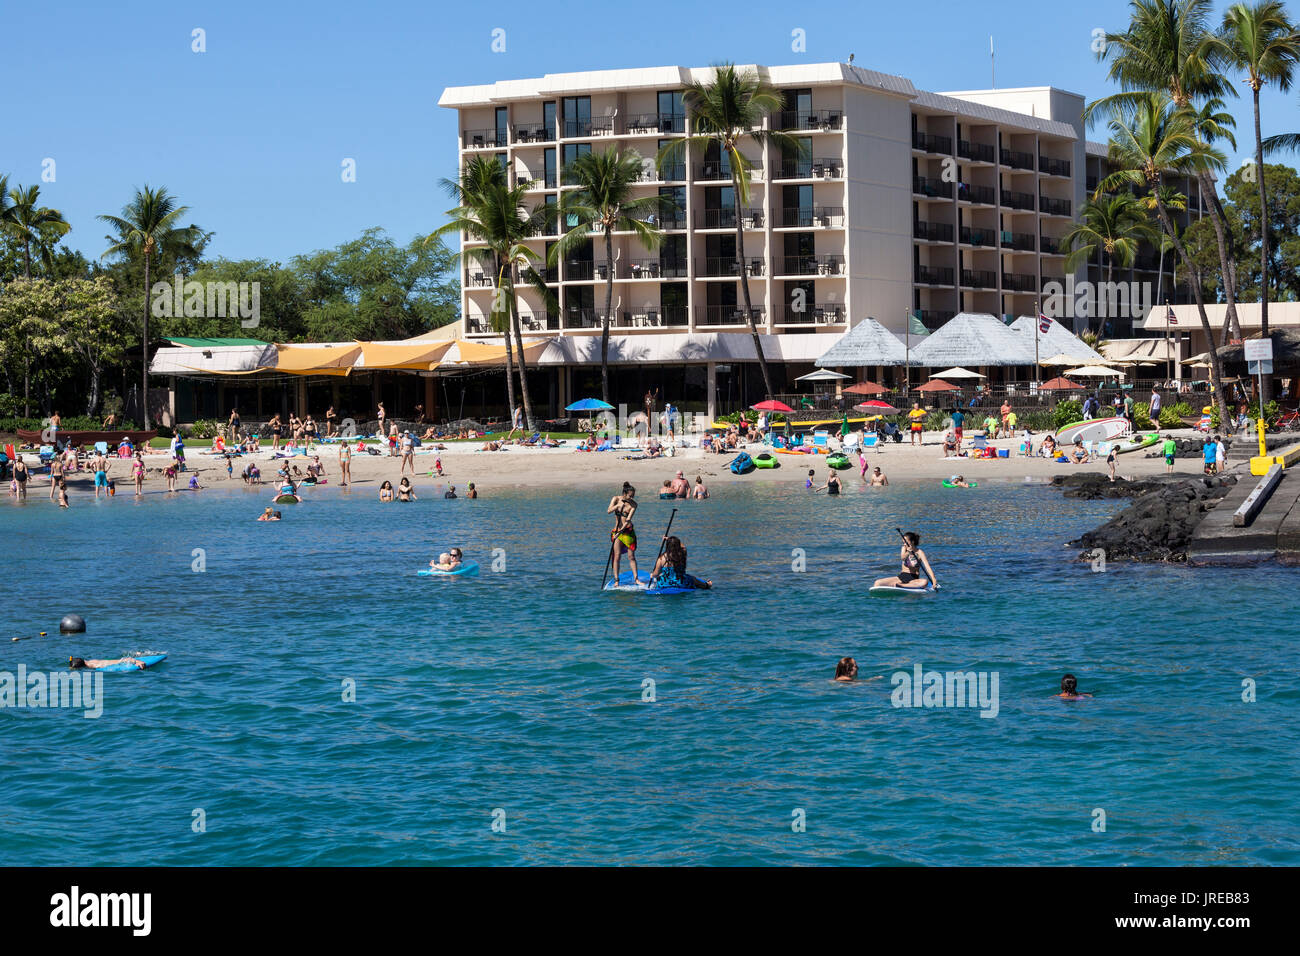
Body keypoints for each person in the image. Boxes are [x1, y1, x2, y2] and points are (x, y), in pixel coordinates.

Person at [872, 531, 939, 590]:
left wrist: (933, 579)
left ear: (912, 542)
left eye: (906, 542)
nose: (904, 544)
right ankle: (901, 585)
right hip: (901, 577)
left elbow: (927, 567)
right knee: (877, 582)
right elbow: (903, 558)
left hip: (913, 579)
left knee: (924, 582)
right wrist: (908, 552)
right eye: (903, 542)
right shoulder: (904, 548)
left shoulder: (919, 552)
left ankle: (900, 585)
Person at [607, 482, 639, 584]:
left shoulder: (634, 505)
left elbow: (628, 520)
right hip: (616, 531)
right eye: (630, 496)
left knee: (631, 556)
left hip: (628, 532)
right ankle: (617, 580)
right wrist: (617, 506)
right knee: (617, 556)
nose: (632, 498)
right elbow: (608, 511)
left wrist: (619, 533)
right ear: (624, 493)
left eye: (633, 496)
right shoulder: (616, 499)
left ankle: (636, 579)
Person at [69, 656, 147, 671]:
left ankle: (137, 659)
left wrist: (137, 662)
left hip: (112, 663)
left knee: (118, 661)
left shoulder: (95, 665)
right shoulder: (86, 661)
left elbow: (119, 661)